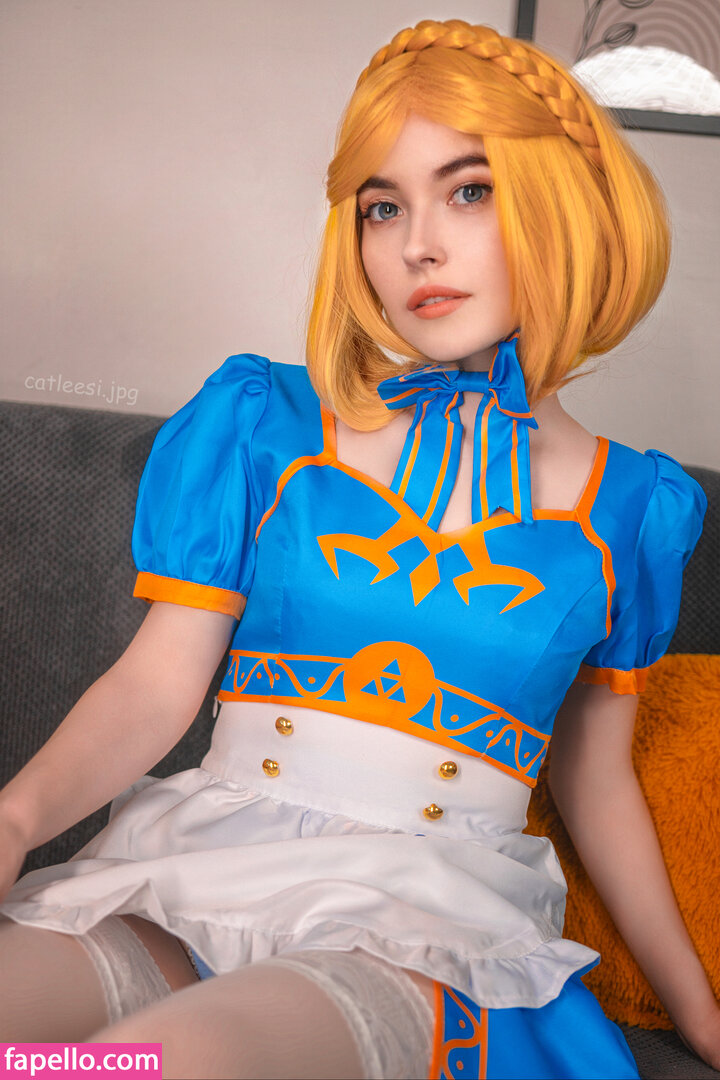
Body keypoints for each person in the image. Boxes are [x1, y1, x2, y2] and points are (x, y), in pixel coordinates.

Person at [0, 17, 717, 1080]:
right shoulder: (263, 421)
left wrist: (698, 1011)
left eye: (469, 191)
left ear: (567, 206)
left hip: (423, 915)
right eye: (383, 207)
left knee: (155, 1064)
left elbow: (593, 778)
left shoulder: (637, 510)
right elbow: (158, 685)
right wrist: (14, 818)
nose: (416, 244)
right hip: (203, 862)